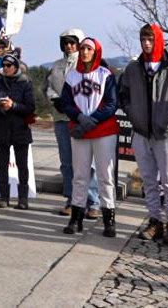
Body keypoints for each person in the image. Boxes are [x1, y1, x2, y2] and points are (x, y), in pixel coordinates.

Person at [118, 24, 168, 250]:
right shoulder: (133, 68)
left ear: (158, 40)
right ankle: (154, 220)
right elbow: (123, 96)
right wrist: (133, 116)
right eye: (143, 39)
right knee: (149, 181)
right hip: (141, 133)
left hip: (165, 133)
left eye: (150, 39)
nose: (146, 44)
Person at [58, 37, 119, 237]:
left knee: (105, 176)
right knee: (80, 176)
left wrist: (93, 119)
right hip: (80, 131)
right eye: (82, 48)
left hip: (103, 131)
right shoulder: (72, 76)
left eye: (88, 49)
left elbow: (112, 103)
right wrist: (79, 117)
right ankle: (76, 218)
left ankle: (109, 219)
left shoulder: (105, 75)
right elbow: (65, 102)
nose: (84, 52)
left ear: (96, 52)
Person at [45, 28, 99, 218]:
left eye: (72, 42)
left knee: (87, 163)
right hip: (61, 119)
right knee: (67, 163)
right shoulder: (56, 65)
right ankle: (71, 199)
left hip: (80, 119)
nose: (69, 46)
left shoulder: (86, 63)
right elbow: (49, 86)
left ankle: (93, 202)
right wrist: (55, 100)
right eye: (65, 43)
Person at [0, 53, 35, 209]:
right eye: (4, 66)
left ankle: (23, 199)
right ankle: (4, 197)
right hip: (1, 128)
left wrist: (13, 106)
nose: (6, 68)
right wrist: (1, 108)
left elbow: (30, 107)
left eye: (9, 66)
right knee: (1, 164)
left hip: (20, 128)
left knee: (22, 165)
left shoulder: (26, 82)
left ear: (16, 67)